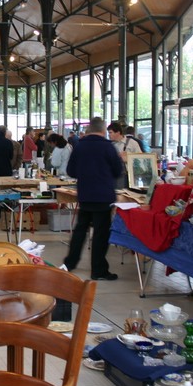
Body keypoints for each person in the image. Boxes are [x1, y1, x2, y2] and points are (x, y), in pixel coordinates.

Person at [63, 117, 124, 280]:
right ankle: (98, 269)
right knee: (100, 234)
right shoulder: (108, 147)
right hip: (103, 196)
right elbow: (118, 171)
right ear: (103, 130)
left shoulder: (80, 146)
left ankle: (69, 263)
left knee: (80, 230)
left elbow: (71, 171)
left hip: (85, 194)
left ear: (90, 129)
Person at [108, 122, 142, 188]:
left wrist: (129, 158)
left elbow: (141, 159)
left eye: (110, 132)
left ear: (117, 132)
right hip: (115, 176)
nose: (109, 135)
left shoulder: (132, 143)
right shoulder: (110, 145)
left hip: (130, 176)